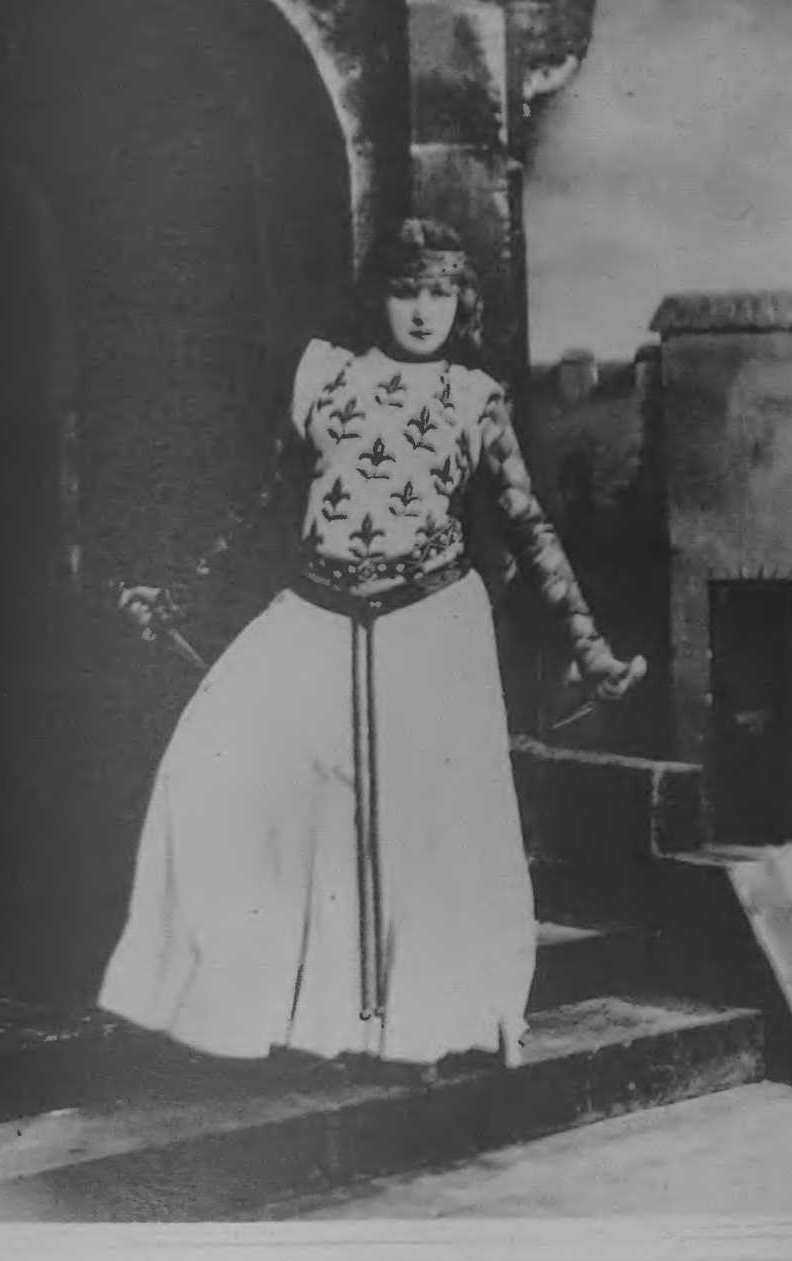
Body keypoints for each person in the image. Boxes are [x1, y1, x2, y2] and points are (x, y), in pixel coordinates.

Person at [99, 217, 644, 1072]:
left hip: (430, 622)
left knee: (422, 829)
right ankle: (242, 1007)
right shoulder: (325, 376)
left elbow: (530, 529)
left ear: (462, 300)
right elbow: (264, 509)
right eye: (405, 291)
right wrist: (178, 597)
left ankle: (417, 1028)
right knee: (208, 766)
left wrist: (590, 646)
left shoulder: (476, 397)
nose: (422, 311)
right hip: (316, 611)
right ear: (377, 297)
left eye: (439, 293)